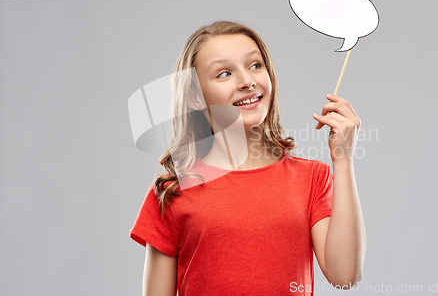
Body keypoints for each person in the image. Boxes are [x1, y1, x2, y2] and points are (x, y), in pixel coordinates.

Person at [129, 20, 366, 296]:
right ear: (195, 96)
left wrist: (343, 159)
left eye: (255, 65)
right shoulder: (173, 191)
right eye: (224, 73)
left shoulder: (312, 178)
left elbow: (345, 276)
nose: (247, 81)